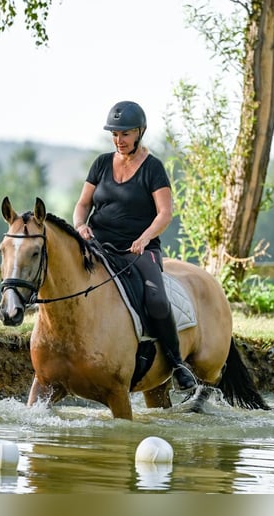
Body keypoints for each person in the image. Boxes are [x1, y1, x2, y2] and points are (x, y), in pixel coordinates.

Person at [72, 100, 198, 392]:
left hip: (139, 250)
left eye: (125, 134)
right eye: (115, 134)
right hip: (98, 246)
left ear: (140, 132)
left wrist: (144, 238)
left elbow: (165, 213)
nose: (119, 140)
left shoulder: (153, 168)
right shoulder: (101, 163)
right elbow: (82, 204)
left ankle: (177, 363)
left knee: (155, 299)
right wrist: (80, 225)